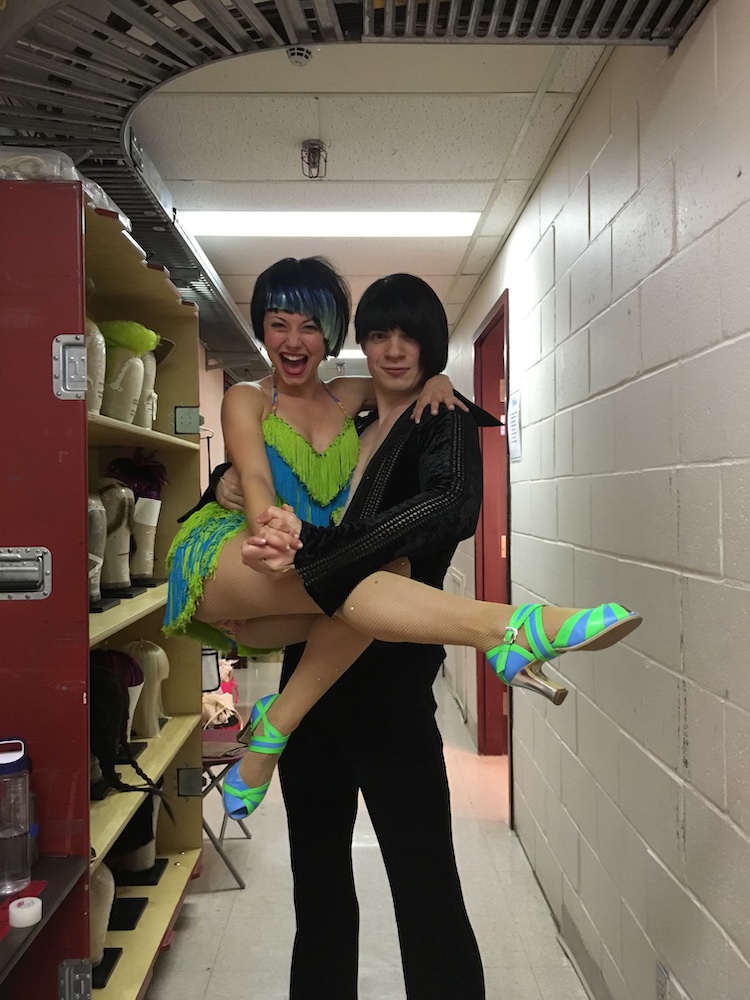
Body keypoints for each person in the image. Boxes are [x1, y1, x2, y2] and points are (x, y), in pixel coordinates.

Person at [164, 258, 641, 821]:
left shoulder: (348, 397)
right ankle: (510, 627)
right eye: (278, 323)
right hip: (234, 548)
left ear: (331, 336)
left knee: (382, 579)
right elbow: (257, 477)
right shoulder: (247, 396)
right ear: (264, 328)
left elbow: (415, 385)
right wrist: (266, 523)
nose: (293, 341)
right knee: (363, 580)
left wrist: (441, 380)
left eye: (310, 326)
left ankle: (273, 726)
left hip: (310, 585)